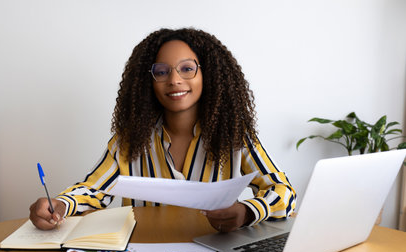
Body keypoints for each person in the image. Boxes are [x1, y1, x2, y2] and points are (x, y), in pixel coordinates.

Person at [29, 28, 296, 232]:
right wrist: (60, 204)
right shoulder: (130, 140)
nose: (175, 80)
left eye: (187, 69)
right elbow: (93, 189)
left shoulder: (234, 136)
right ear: (149, 80)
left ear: (208, 75)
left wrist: (246, 212)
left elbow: (283, 190)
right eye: (161, 71)